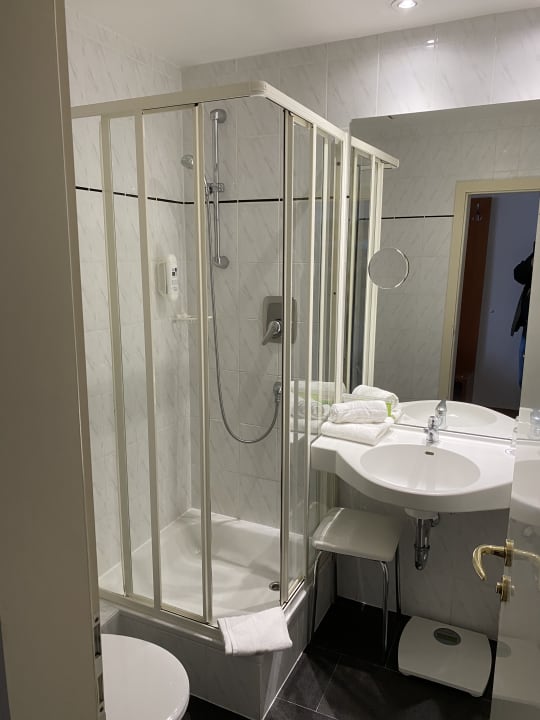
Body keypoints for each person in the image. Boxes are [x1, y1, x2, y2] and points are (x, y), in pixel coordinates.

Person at [511, 245, 534, 387]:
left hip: (534, 330)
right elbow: (518, 274)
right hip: (528, 328)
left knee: (530, 382)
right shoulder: (536, 256)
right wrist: (533, 260)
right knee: (524, 381)